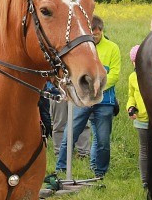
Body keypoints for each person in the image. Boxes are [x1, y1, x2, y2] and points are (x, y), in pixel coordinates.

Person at [47, 16, 120, 187]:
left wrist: (99, 85)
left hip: (104, 101)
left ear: (102, 31)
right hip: (82, 100)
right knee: (70, 133)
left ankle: (99, 172)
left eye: (97, 34)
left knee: (102, 140)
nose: (94, 37)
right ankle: (62, 168)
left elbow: (115, 73)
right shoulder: (83, 47)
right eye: (91, 33)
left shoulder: (112, 48)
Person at [126, 44, 152, 188]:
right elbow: (131, 95)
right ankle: (145, 181)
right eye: (135, 61)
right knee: (144, 151)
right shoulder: (132, 77)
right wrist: (130, 107)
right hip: (141, 120)